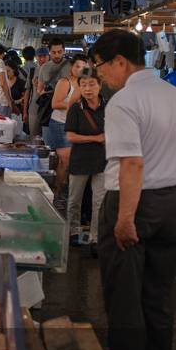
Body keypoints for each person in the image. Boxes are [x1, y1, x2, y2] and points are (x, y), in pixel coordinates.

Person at [90, 29, 176, 350]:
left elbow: (132, 163)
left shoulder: (123, 102)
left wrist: (125, 219)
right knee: (159, 296)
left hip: (133, 203)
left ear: (120, 61)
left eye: (101, 66)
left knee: (125, 297)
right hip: (171, 204)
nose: (99, 74)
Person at [65, 70, 107, 249]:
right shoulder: (76, 108)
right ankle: (74, 231)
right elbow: (71, 136)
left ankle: (95, 237)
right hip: (80, 159)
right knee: (75, 199)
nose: (88, 89)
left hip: (102, 161)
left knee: (99, 201)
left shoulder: (109, 107)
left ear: (100, 85)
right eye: (83, 85)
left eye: (92, 84)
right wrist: (95, 138)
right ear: (79, 87)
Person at [48, 55, 87, 174]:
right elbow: (55, 104)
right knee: (65, 159)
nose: (80, 70)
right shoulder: (65, 82)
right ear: (71, 67)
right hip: (60, 124)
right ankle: (58, 190)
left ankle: (62, 187)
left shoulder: (85, 83)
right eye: (77, 66)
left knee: (69, 160)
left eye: (83, 68)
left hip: (76, 126)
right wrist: (76, 105)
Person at [26, 46, 49, 135]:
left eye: (44, 56)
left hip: (48, 109)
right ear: (36, 57)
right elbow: (27, 92)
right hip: (34, 109)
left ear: (48, 56)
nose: (42, 59)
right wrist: (25, 111)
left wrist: (39, 87)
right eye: (39, 56)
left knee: (47, 137)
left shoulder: (54, 71)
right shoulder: (32, 71)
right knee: (34, 136)